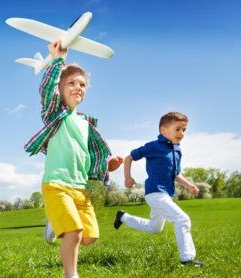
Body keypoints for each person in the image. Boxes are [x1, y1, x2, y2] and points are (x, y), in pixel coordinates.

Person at [24, 41, 123, 278]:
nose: (77, 87)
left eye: (82, 84)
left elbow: (86, 156)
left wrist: (107, 165)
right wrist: (57, 61)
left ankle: (53, 223)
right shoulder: (55, 114)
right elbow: (47, 90)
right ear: (60, 89)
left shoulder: (86, 123)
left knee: (89, 237)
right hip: (57, 184)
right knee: (75, 232)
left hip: (81, 188)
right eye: (71, 83)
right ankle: (71, 275)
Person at [114, 112, 204, 267]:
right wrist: (127, 177)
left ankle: (123, 217)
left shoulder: (177, 150)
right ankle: (187, 259)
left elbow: (175, 174)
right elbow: (129, 157)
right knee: (182, 219)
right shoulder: (153, 146)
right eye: (178, 129)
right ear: (163, 130)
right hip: (155, 193)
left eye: (184, 130)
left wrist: (188, 185)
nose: (181, 134)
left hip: (166, 195)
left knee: (154, 228)